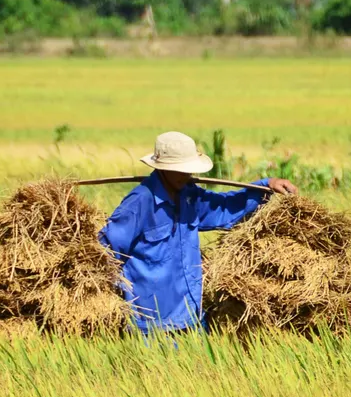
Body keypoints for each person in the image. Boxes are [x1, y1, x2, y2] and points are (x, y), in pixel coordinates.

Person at [99, 131, 298, 333]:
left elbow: (224, 208)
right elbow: (106, 249)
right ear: (163, 169)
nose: (189, 175)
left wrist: (266, 186)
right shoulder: (140, 202)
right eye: (181, 169)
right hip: (152, 326)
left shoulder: (190, 196)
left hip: (191, 319)